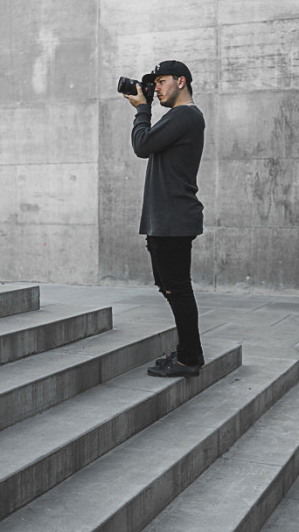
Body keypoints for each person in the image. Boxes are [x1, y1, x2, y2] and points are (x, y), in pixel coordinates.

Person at [122, 60, 206, 378]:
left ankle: (189, 358)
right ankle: (188, 350)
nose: (155, 88)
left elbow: (142, 145)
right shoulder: (179, 117)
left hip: (173, 219)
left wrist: (142, 109)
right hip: (167, 219)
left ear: (181, 81)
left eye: (161, 81)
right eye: (153, 84)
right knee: (171, 287)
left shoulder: (185, 115)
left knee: (178, 289)